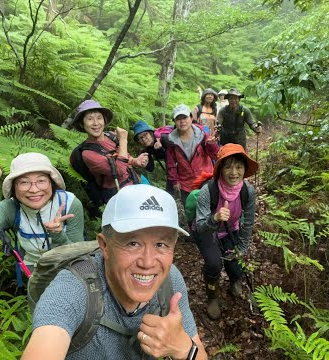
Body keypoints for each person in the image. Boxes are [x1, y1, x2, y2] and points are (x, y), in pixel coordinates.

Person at [21, 184, 208, 360]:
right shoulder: (73, 289)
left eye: (161, 244)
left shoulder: (170, 279)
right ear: (104, 246)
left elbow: (197, 350)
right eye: (132, 243)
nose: (148, 262)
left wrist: (184, 348)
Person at [0, 147, 85, 269]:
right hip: (34, 270)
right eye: (24, 182)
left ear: (51, 183)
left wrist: (58, 235)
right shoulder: (11, 207)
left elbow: (76, 256)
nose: (34, 190)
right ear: (14, 187)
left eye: (41, 180)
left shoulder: (69, 204)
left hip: (69, 269)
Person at [193, 143, 258, 320]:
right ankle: (212, 295)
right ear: (220, 169)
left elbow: (248, 223)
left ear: (245, 169)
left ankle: (234, 280)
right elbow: (199, 226)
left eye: (238, 167)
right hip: (209, 231)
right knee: (214, 264)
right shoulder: (209, 190)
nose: (233, 172)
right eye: (228, 166)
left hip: (232, 230)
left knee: (235, 263)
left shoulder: (248, 191)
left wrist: (242, 249)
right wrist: (214, 218)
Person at [70, 100, 148, 205]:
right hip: (120, 196)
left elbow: (124, 156)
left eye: (99, 118)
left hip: (137, 180)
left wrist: (135, 161)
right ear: (82, 124)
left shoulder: (111, 135)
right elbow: (119, 170)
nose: (96, 123)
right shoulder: (88, 153)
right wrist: (123, 140)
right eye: (90, 119)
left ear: (104, 120)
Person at [166, 104, 219, 205]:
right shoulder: (171, 141)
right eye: (178, 119)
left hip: (206, 179)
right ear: (174, 122)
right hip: (186, 184)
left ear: (191, 118)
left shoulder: (202, 135)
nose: (182, 121)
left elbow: (214, 155)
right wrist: (175, 181)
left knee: (208, 208)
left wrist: (212, 144)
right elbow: (171, 164)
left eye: (185, 117)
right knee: (190, 212)